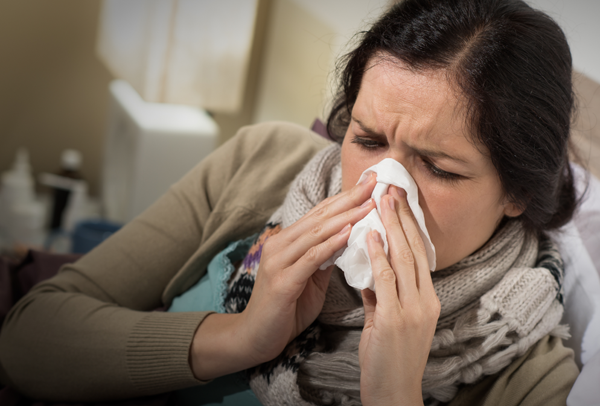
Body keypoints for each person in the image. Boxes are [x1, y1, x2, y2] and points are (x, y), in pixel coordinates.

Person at [0, 0, 581, 405]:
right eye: (367, 139)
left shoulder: (528, 371)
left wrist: (393, 395)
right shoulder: (262, 160)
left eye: (437, 167)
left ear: (517, 192)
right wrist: (242, 338)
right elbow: (29, 339)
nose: (382, 187)